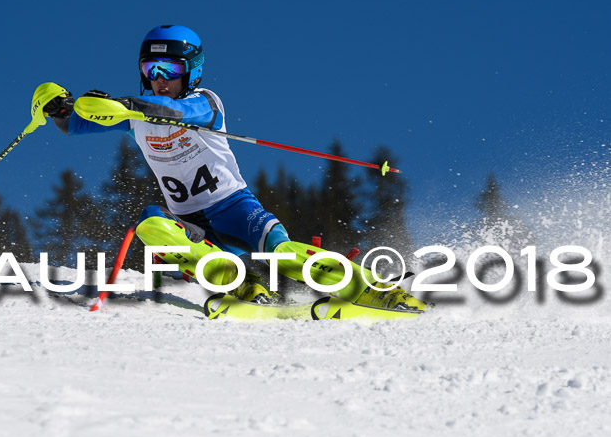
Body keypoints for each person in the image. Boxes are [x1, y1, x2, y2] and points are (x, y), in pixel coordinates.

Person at [42, 24, 424, 310]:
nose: (159, 81)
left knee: (285, 254)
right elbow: (71, 126)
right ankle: (241, 285)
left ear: (191, 71)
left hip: (237, 210)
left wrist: (124, 105)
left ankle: (377, 290)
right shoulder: (135, 116)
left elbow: (174, 111)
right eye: (151, 71)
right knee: (151, 223)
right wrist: (57, 105)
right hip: (192, 223)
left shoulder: (205, 102)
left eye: (169, 70)